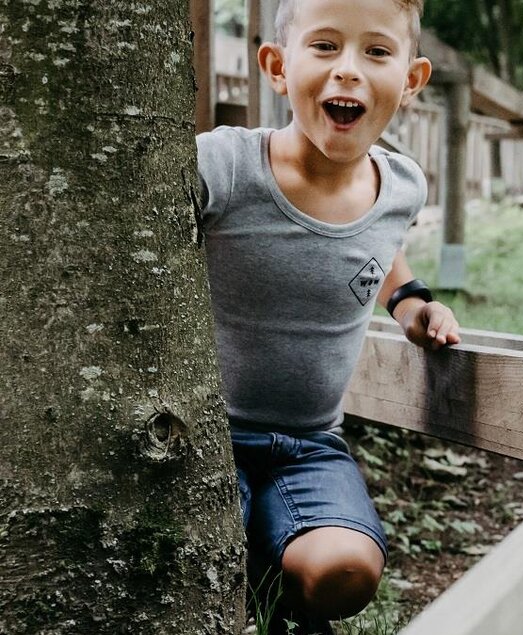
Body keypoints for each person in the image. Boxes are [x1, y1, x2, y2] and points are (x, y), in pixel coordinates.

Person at [195, 0, 459, 632]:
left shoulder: (402, 186)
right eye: (324, 46)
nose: (348, 69)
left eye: (376, 51)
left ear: (412, 80)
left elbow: (379, 249)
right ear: (276, 67)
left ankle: (274, 577)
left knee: (347, 572)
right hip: (203, 437)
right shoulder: (225, 165)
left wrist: (413, 303)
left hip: (310, 445)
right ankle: (254, 571)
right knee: (195, 565)